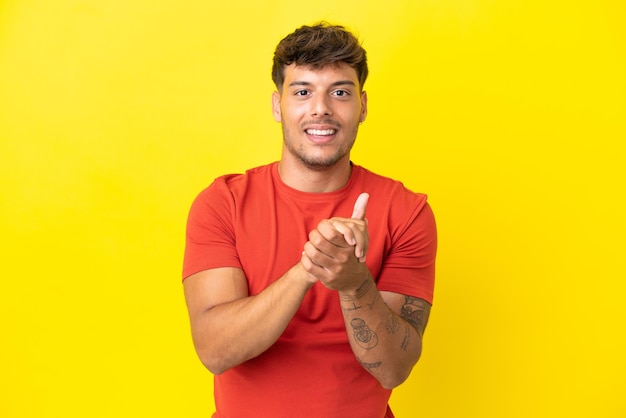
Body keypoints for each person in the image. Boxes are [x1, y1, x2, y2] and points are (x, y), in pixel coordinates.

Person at [182, 22, 437, 418]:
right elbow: (215, 351)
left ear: (363, 106)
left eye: (339, 92)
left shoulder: (407, 211)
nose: (321, 108)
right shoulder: (223, 203)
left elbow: (393, 368)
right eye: (302, 92)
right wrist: (308, 269)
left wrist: (354, 285)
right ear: (277, 105)